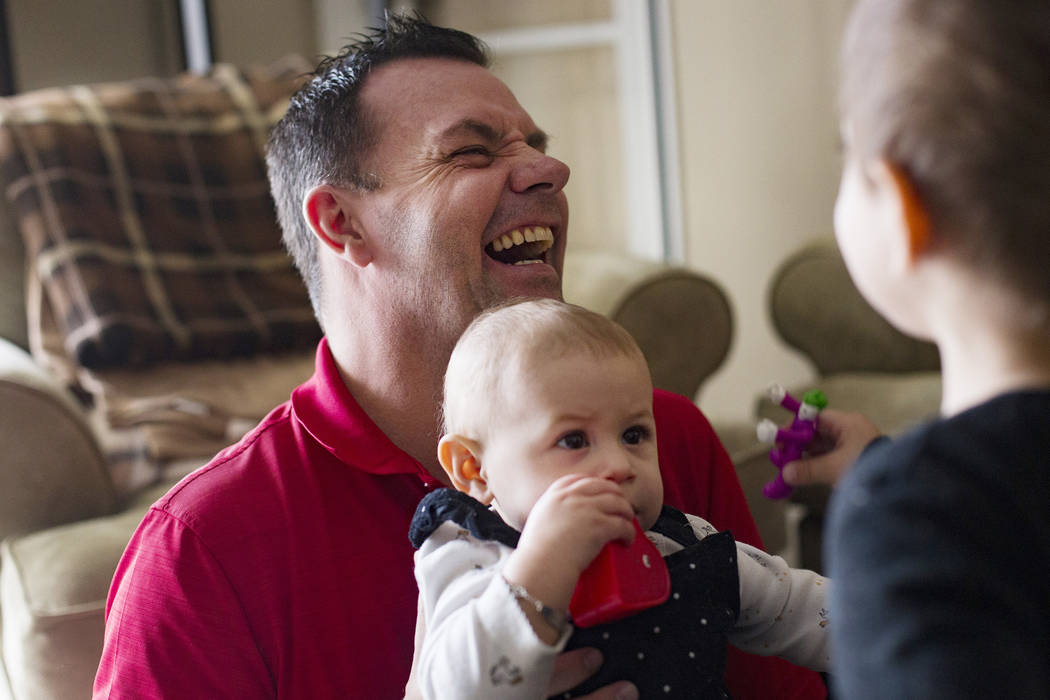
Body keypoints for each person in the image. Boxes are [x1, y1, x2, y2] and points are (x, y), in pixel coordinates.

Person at [93, 14, 826, 699]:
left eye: (535, 145)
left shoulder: (658, 438)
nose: (549, 169)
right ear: (342, 222)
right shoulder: (201, 553)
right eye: (473, 151)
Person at [807, 0, 1050, 697]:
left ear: (905, 209)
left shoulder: (915, 515)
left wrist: (899, 483)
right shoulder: (932, 494)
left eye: (849, 160)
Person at [411, 298, 831, 700]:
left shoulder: (684, 542)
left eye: (634, 435)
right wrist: (543, 564)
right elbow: (457, 690)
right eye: (573, 440)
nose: (619, 464)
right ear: (473, 468)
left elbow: (802, 608)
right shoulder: (471, 557)